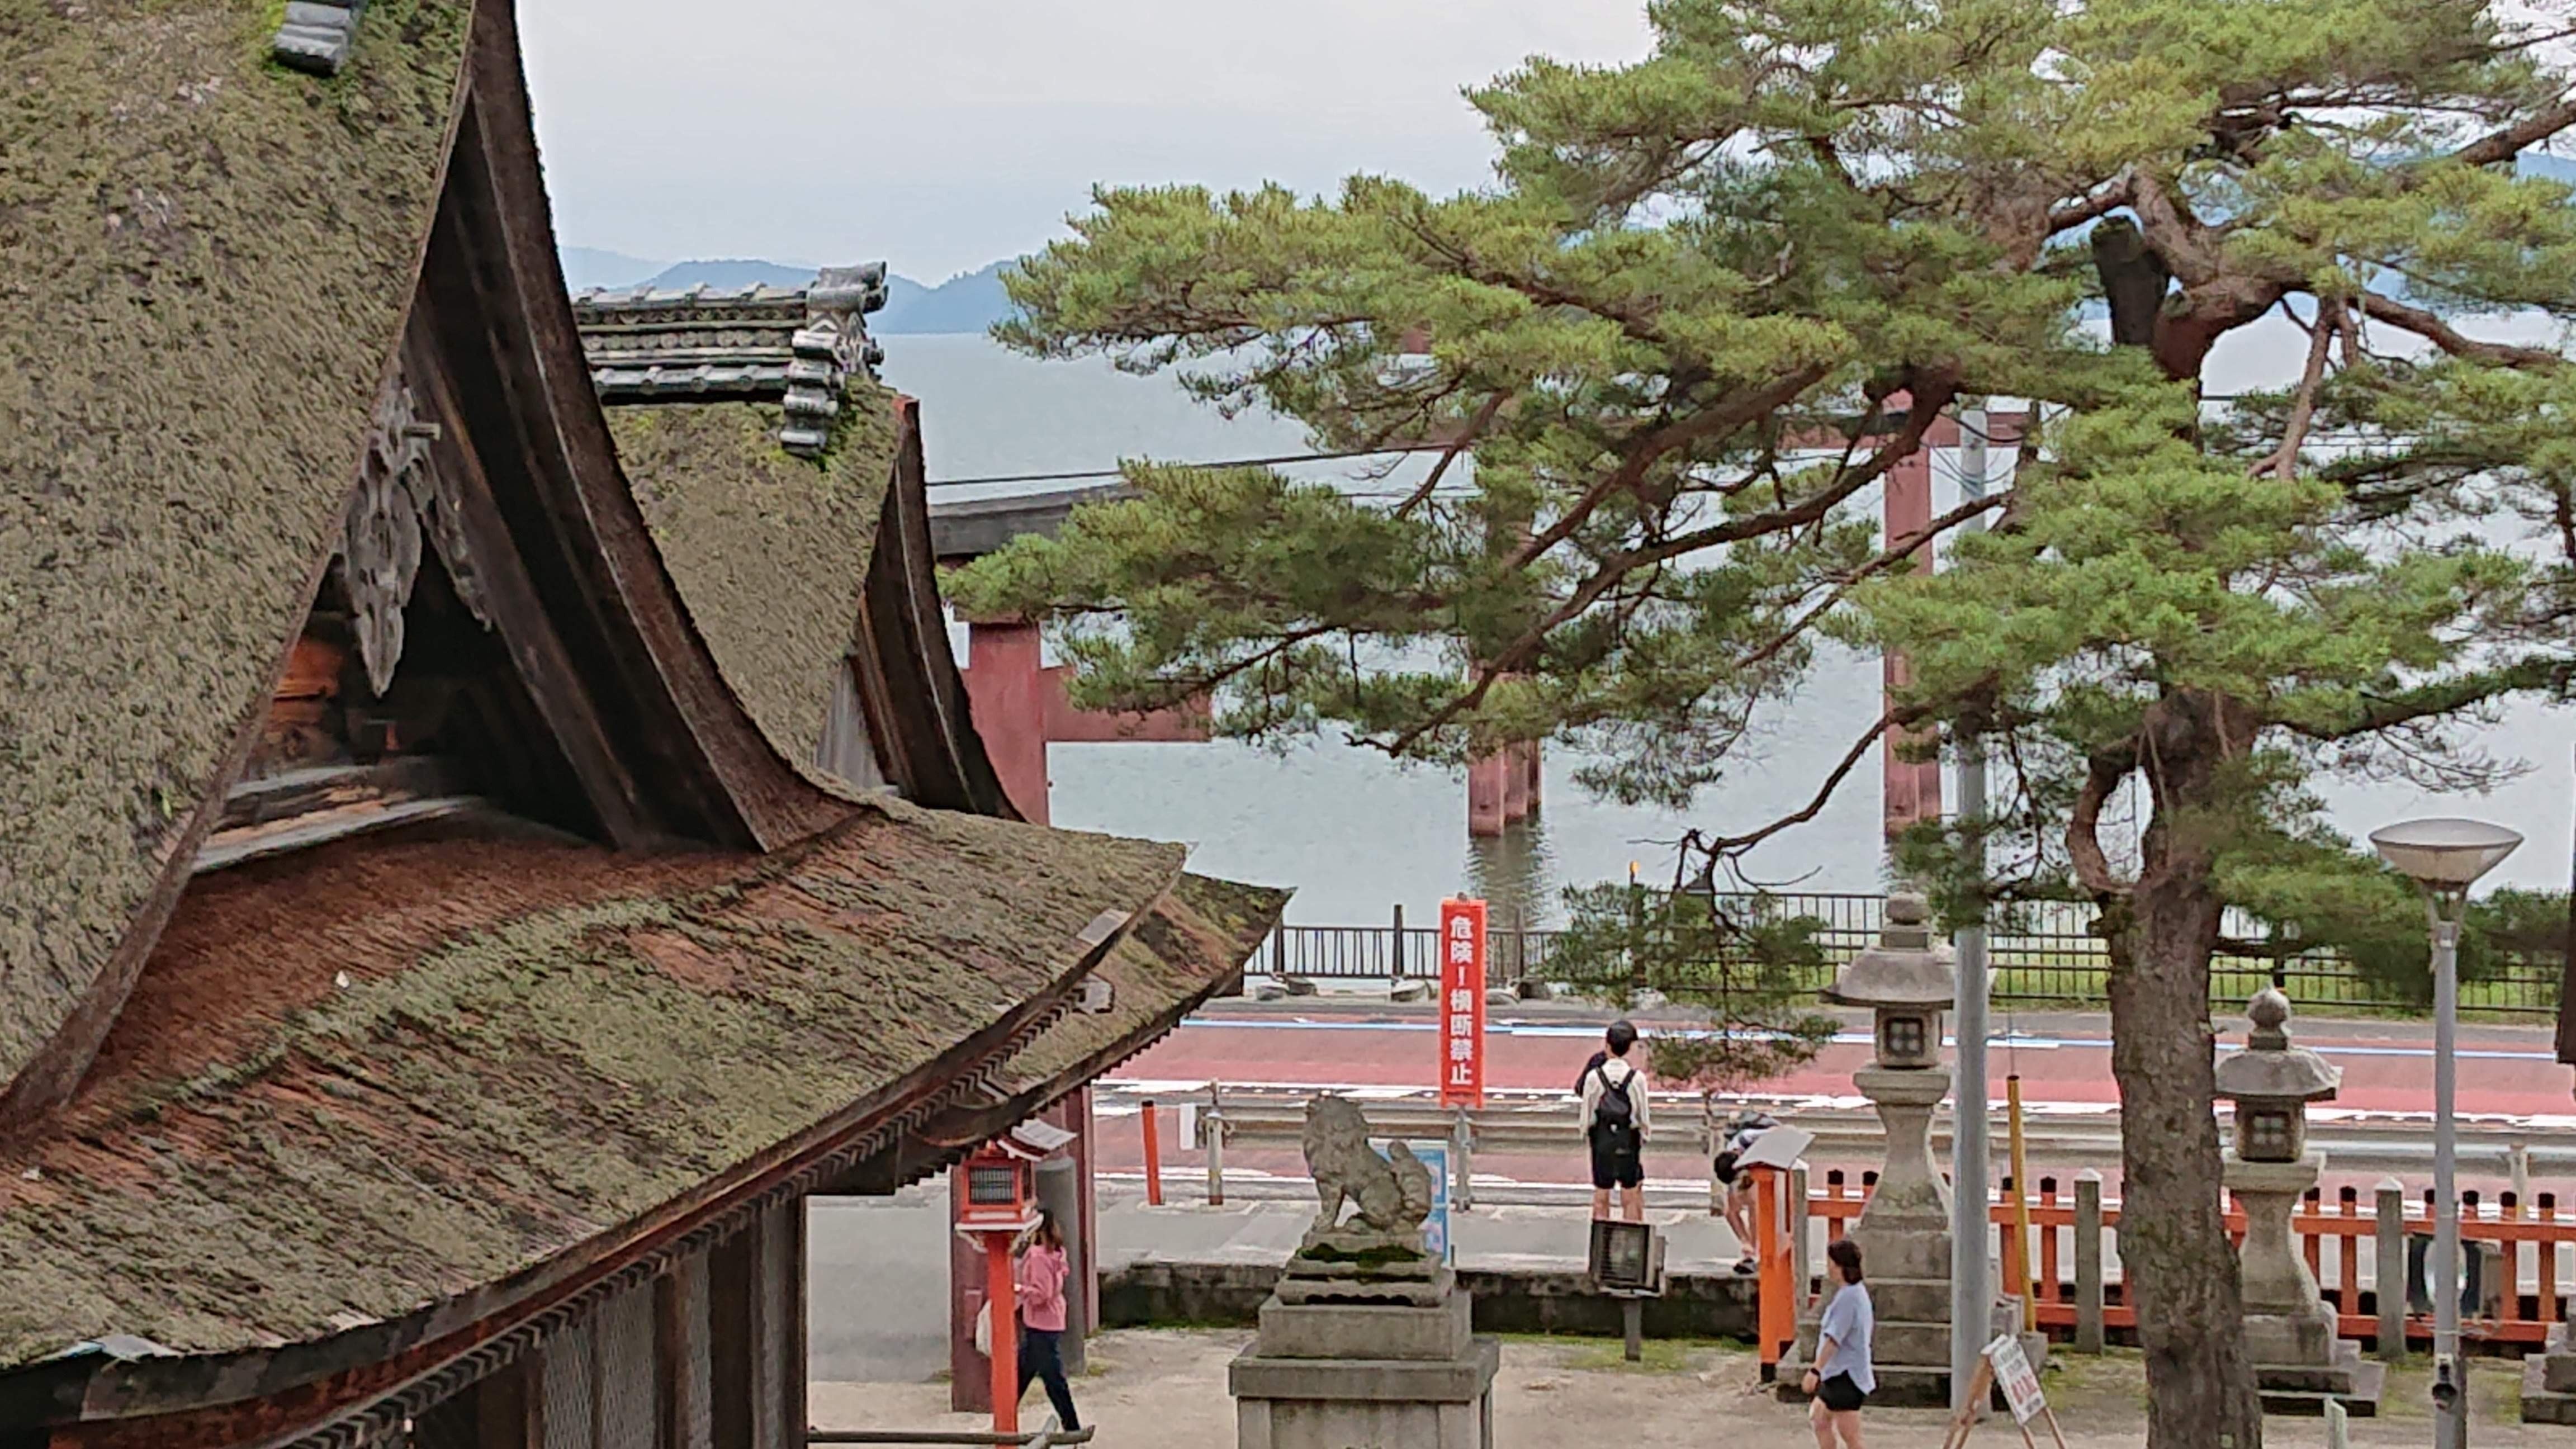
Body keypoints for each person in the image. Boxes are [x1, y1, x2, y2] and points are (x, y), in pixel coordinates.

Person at [1013, 1207, 1081, 1432]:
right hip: (1050, 1320)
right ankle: (1003, 1419)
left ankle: (1072, 1428)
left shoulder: (1038, 1255)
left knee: (1053, 1381)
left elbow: (1041, 1294)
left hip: (1040, 1323)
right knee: (1022, 1375)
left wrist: (1018, 1289)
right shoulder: (1056, 1251)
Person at [1802, 1238, 1874, 1448]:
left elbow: (1835, 1338)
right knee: (1819, 1417)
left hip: (1846, 1374)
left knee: (1850, 1435)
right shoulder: (1851, 1294)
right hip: (1839, 1373)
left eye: (1831, 1263)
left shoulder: (1849, 1298)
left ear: (1839, 1265)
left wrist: (1815, 1371)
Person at [1577, 1019, 1650, 1221]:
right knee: (1631, 1194)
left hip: (1602, 1139)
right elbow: (1642, 1116)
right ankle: (1633, 1243)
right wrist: (1643, 1135)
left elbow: (1587, 1113)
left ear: (1608, 1044)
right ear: (1629, 1048)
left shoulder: (1594, 1076)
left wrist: (1586, 1132)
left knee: (1601, 1195)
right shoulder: (1637, 1078)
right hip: (1628, 1138)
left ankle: (1601, 1244)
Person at [1714, 1107, 1780, 1275]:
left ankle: (1756, 1247)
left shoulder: (1747, 1137)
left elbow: (1777, 1131)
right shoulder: (1730, 1163)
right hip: (1747, 1165)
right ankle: (1747, 1244)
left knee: (1753, 1204)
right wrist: (1743, 1240)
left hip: (1763, 1157)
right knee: (1732, 1207)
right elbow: (1731, 1212)